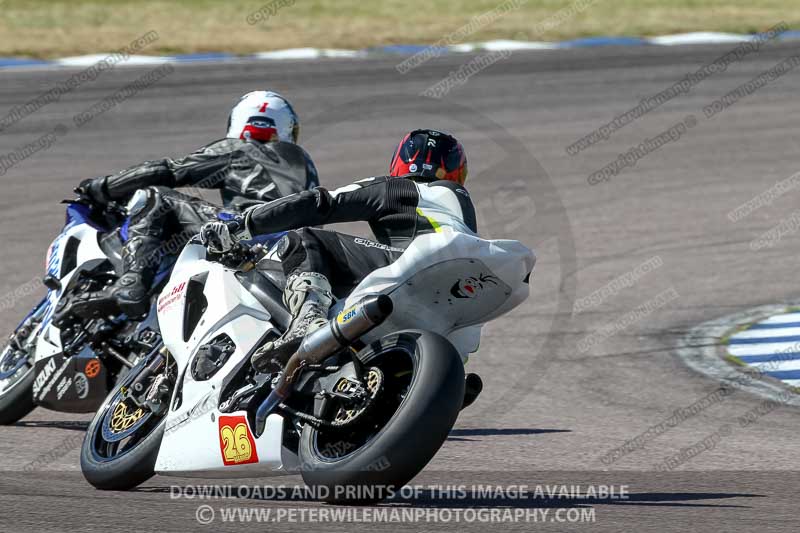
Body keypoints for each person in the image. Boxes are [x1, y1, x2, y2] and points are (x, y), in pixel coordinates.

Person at [200, 129, 475, 372]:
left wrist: (242, 226)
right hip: (458, 298)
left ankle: (308, 318)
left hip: (418, 268)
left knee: (306, 239)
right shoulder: (461, 203)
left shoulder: (395, 188)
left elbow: (319, 203)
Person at [62, 90, 319, 320]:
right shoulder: (305, 165)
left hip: (247, 233)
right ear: (287, 128)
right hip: (293, 255)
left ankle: (132, 282)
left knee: (156, 197)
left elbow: (168, 170)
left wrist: (101, 188)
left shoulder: (241, 148)